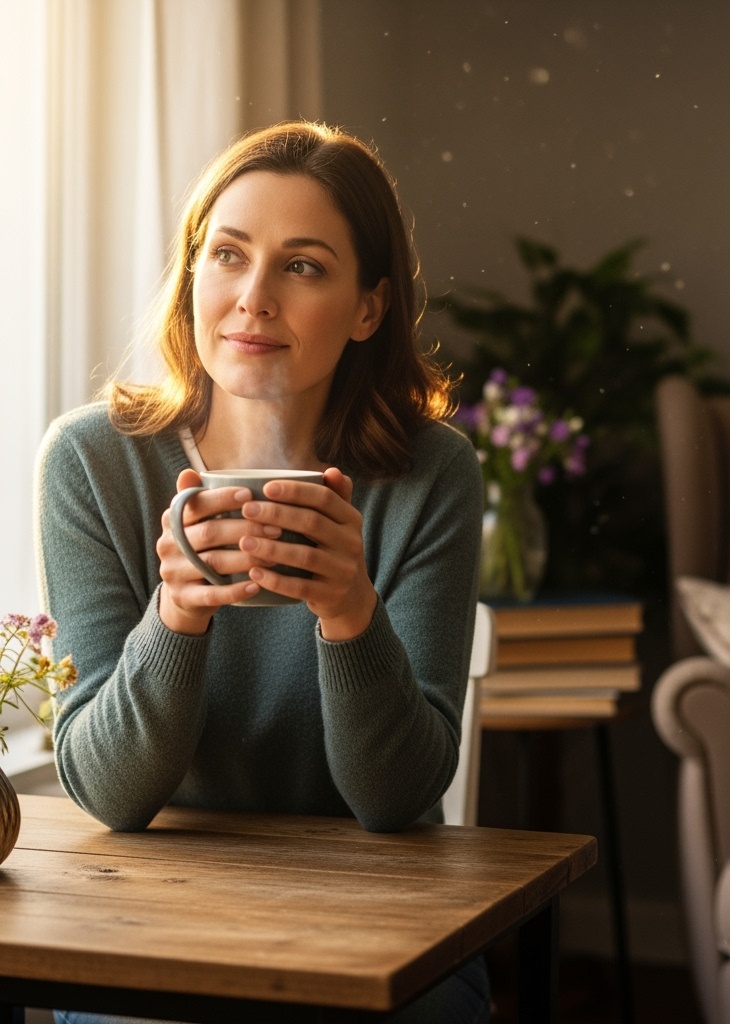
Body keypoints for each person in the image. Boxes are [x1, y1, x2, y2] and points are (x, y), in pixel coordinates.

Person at [35, 121, 488, 1023]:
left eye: (304, 266)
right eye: (227, 255)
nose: (252, 298)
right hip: (160, 917)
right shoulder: (92, 462)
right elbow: (109, 796)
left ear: (369, 309)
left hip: (373, 920)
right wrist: (176, 615)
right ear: (192, 274)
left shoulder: (430, 472)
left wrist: (350, 610)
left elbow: (398, 801)